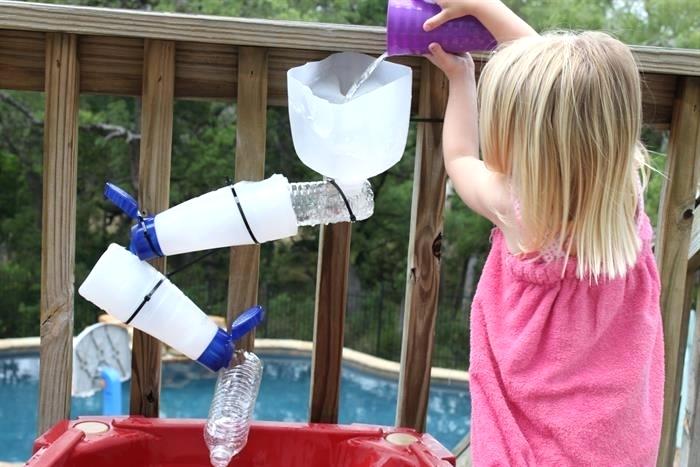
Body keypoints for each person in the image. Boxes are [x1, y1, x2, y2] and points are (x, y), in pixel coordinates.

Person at [423, 1, 664, 465]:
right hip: (612, 442)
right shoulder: (624, 185)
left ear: (525, 135)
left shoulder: (515, 205)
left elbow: (457, 158)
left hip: (533, 445)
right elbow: (565, 94)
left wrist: (460, 78)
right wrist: (484, 7)